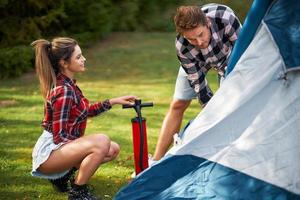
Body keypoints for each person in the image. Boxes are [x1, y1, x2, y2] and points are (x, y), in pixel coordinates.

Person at [31, 37, 137, 200]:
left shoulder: (70, 85)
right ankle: (77, 192)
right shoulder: (64, 91)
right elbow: (60, 136)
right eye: (78, 57)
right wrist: (83, 146)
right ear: (64, 63)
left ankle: (62, 177)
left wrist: (113, 101)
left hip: (59, 150)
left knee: (112, 149)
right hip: (49, 154)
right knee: (101, 141)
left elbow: (84, 111)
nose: (84, 59)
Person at [152, 4, 242, 162]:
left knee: (232, 107)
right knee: (178, 104)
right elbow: (198, 84)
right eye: (191, 39)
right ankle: (156, 160)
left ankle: (230, 158)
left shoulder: (225, 17)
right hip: (198, 63)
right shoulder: (182, 46)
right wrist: (210, 109)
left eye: (200, 34)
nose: (199, 42)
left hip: (229, 59)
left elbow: (243, 49)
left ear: (207, 22)